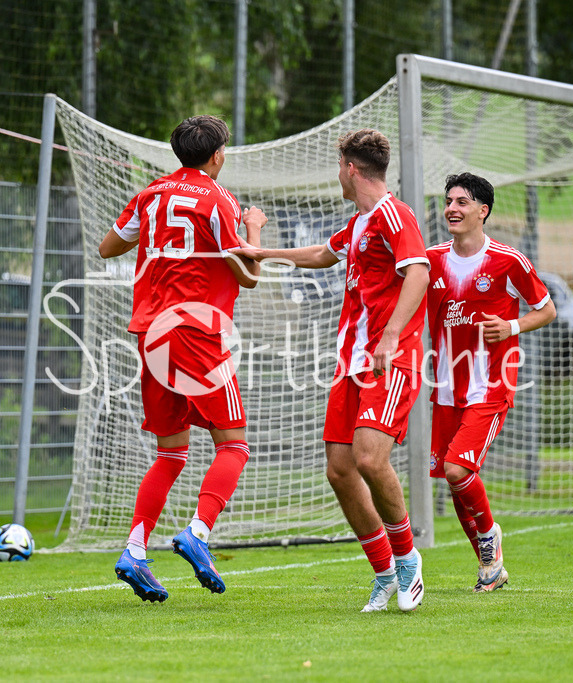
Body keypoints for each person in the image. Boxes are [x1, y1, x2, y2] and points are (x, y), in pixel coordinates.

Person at [234, 129, 430, 612]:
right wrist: (264, 253)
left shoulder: (394, 214)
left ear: (350, 168)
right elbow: (324, 253)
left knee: (368, 459)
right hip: (350, 364)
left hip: (390, 359)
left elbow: (420, 273)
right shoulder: (361, 222)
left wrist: (389, 336)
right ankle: (384, 573)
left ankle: (408, 561)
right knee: (341, 471)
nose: (335, 174)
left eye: (337, 166)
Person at [99, 115, 265, 602]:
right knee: (233, 445)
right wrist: (252, 226)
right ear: (216, 155)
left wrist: (161, 240)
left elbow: (108, 246)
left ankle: (134, 550)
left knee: (171, 452)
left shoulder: (150, 195)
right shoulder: (219, 198)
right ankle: (198, 531)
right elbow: (249, 274)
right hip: (196, 329)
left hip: (151, 332)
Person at [425, 173, 556, 592]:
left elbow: (547, 309)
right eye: (449, 201)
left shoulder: (508, 260)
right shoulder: (430, 260)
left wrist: (513, 325)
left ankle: (489, 540)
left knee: (458, 468)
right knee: (452, 478)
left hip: (491, 384)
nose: (452, 208)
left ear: (483, 211)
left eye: (462, 201)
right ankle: (490, 567)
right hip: (446, 386)